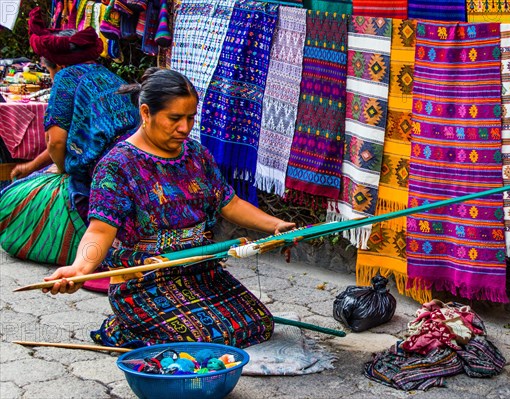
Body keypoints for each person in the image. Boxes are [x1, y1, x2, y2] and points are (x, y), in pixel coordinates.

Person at [44, 68, 296, 349]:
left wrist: (275, 225)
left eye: (190, 118)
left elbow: (230, 203)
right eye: (175, 119)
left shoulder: (197, 154)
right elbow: (100, 230)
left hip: (199, 273)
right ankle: (124, 328)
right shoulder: (117, 165)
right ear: (146, 112)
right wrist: (80, 268)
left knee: (258, 323)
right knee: (209, 338)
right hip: (145, 281)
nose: (185, 128)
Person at [0, 7, 139, 266]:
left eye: (48, 69)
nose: (51, 75)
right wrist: (32, 165)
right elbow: (66, 141)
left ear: (59, 64)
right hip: (132, 165)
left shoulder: (66, 78)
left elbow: (57, 142)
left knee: (13, 201)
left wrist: (61, 169)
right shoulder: (105, 74)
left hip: (101, 174)